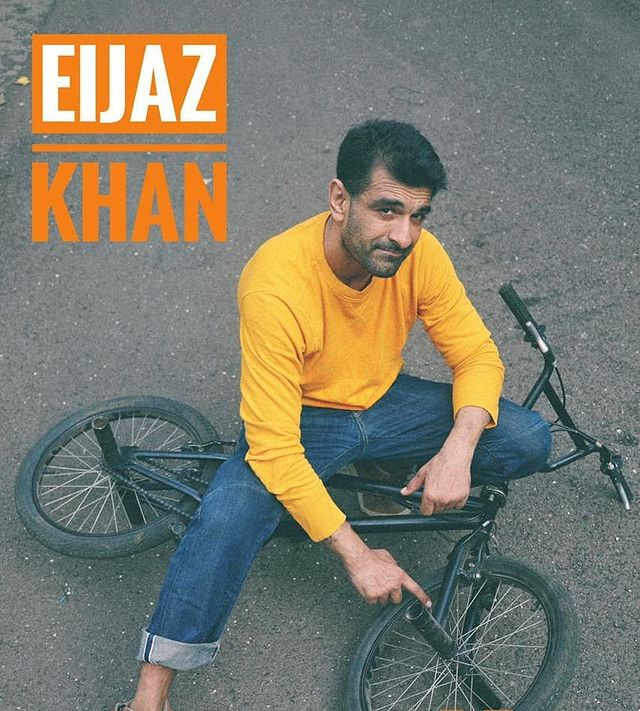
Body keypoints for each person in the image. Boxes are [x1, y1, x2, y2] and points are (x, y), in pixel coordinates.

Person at [115, 119, 551, 711]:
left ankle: (379, 469)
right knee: (227, 519)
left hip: (385, 401)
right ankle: (151, 693)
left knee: (528, 438)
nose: (403, 235)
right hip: (305, 417)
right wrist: (358, 553)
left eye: (418, 215)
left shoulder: (420, 256)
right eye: (387, 210)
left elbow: (475, 353)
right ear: (340, 199)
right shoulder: (275, 284)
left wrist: (460, 447)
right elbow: (275, 448)